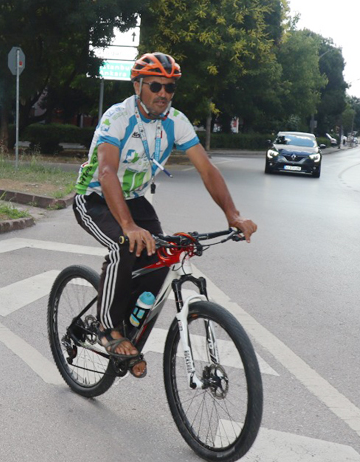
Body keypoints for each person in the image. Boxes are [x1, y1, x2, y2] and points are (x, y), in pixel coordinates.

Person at [72, 52, 257, 377]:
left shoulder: (176, 122)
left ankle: (129, 330)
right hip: (96, 198)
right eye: (155, 85)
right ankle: (107, 328)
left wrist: (233, 215)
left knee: (164, 257)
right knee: (124, 245)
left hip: (135, 200)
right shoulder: (118, 117)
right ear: (138, 86)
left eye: (169, 87)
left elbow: (207, 169)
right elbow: (107, 172)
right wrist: (128, 226)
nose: (163, 93)